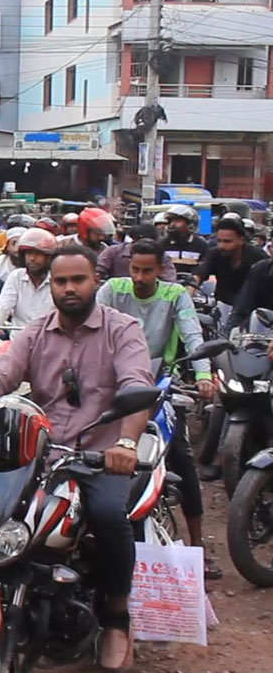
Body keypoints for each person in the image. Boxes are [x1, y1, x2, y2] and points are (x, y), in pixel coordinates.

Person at [0, 246, 154, 670]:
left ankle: (116, 617)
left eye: (78, 280)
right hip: (40, 454)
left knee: (109, 515)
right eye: (60, 281)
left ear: (95, 283)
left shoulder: (121, 329)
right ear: (50, 286)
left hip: (97, 455)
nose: (69, 288)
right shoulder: (35, 332)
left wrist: (124, 445)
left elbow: (134, 385)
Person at [96, 238, 220, 578]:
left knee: (182, 458)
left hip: (160, 385)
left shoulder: (174, 295)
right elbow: (93, 324)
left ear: (160, 269)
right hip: (113, 387)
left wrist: (205, 375)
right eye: (135, 269)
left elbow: (193, 335)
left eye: (147, 271)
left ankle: (198, 548)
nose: (139, 277)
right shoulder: (111, 289)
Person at [191, 217, 267, 327]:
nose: (221, 246)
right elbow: (199, 275)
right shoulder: (215, 254)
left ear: (241, 240)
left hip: (253, 314)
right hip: (222, 309)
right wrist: (187, 297)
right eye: (219, 241)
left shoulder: (258, 257)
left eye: (227, 241)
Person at [0, 228, 57, 338]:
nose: (32, 258)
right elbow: (4, 306)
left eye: (38, 254)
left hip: (49, 342)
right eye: (29, 254)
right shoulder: (16, 276)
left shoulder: (57, 279)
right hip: (18, 343)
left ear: (49, 257)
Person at [96, 223, 176, 282]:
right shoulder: (113, 252)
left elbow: (169, 281)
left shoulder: (162, 257)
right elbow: (97, 272)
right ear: (133, 240)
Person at [162, 204, 211, 277]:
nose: (172, 224)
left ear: (190, 224)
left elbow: (206, 271)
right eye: (170, 221)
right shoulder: (162, 244)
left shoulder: (202, 246)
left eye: (177, 220)